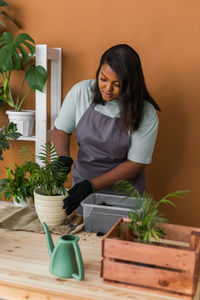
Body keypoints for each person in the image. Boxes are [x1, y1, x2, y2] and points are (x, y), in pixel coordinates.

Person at [53, 44, 161, 215]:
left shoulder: (145, 112)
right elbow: (61, 130)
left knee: (119, 239)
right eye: (103, 79)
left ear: (130, 84)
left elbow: (136, 163)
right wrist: (64, 157)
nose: (107, 89)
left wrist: (92, 185)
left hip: (123, 194)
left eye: (116, 84)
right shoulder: (81, 92)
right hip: (82, 188)